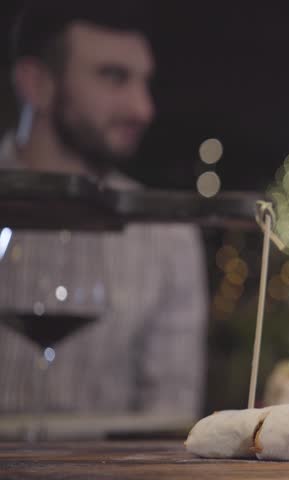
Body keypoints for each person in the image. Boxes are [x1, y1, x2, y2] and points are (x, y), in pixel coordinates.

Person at [0, 0, 207, 424]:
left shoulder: (165, 234)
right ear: (36, 83)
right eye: (114, 77)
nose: (142, 109)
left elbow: (169, 419)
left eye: (144, 82)